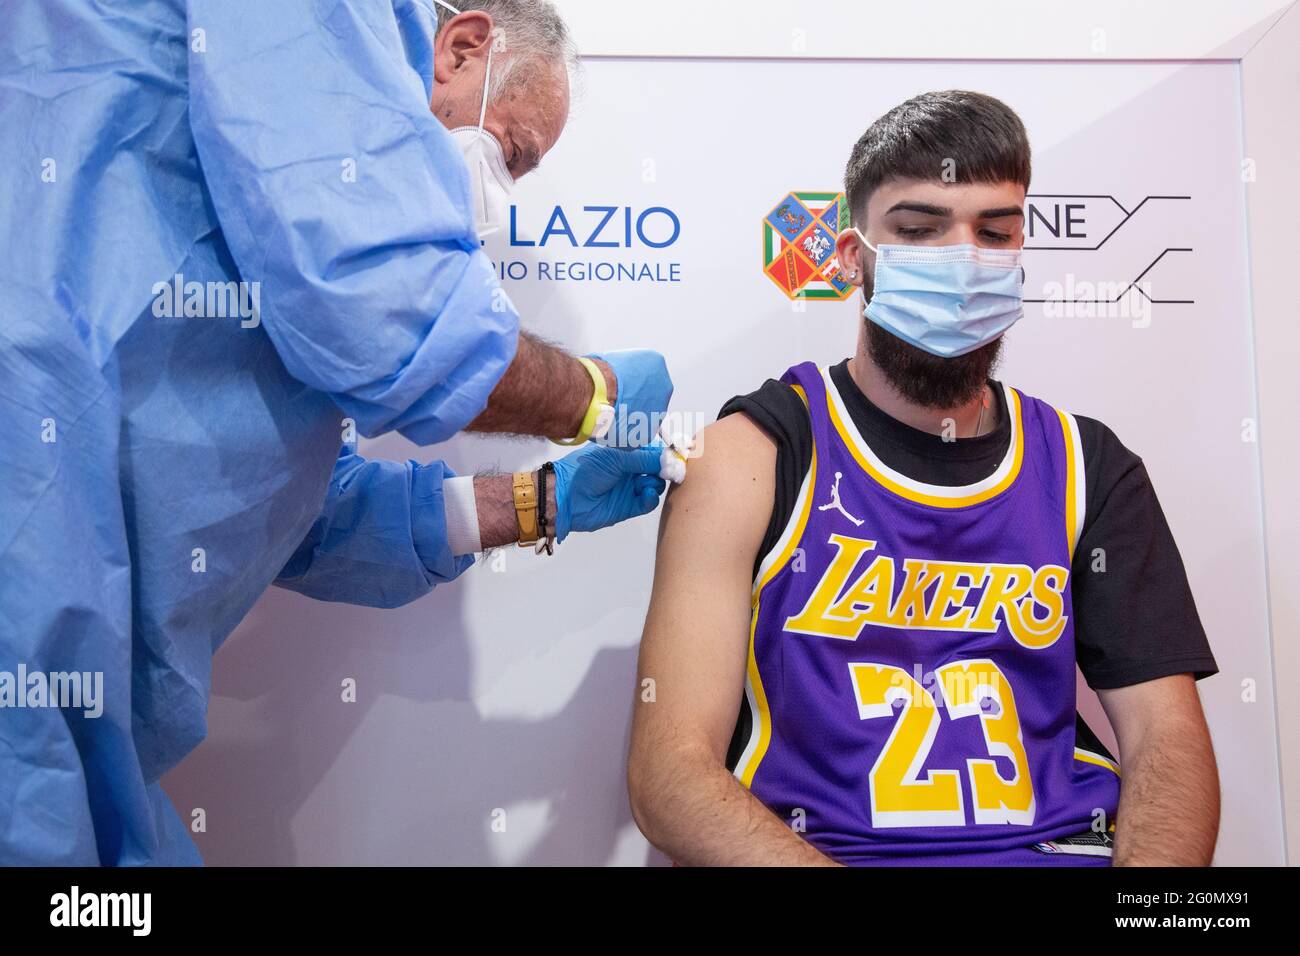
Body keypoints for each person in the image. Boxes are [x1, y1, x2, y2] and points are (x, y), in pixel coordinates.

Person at [0, 0, 668, 864]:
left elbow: (303, 506)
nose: (497, 198)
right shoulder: (316, 26)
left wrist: (542, 503)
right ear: (462, 47)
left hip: (74, 679)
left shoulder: (267, 185)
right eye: (511, 154)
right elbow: (387, 314)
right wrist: (591, 397)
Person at [627, 91, 1220, 866]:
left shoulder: (1087, 466)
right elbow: (669, 774)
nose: (961, 258)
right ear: (850, 257)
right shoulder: (750, 457)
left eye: (994, 232)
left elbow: (1166, 742)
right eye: (918, 229)